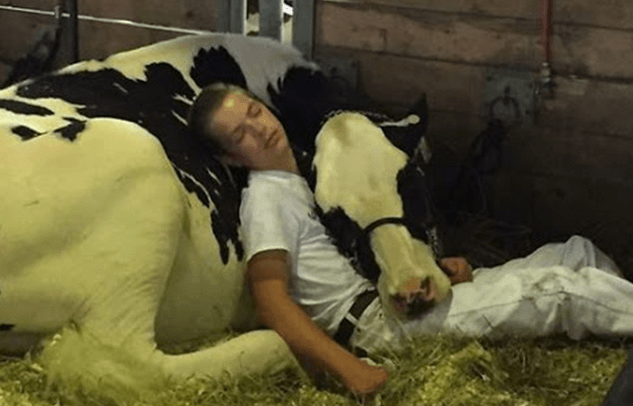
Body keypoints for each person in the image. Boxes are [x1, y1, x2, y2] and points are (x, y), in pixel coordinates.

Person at [186, 82, 633, 396]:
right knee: (560, 290)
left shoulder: (311, 173)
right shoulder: (265, 201)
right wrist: (351, 370)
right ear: (230, 157)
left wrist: (435, 273)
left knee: (576, 252)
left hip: (396, 296)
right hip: (378, 328)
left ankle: (618, 348)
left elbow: (360, 254)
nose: (259, 128)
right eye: (240, 133)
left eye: (254, 112)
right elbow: (270, 300)